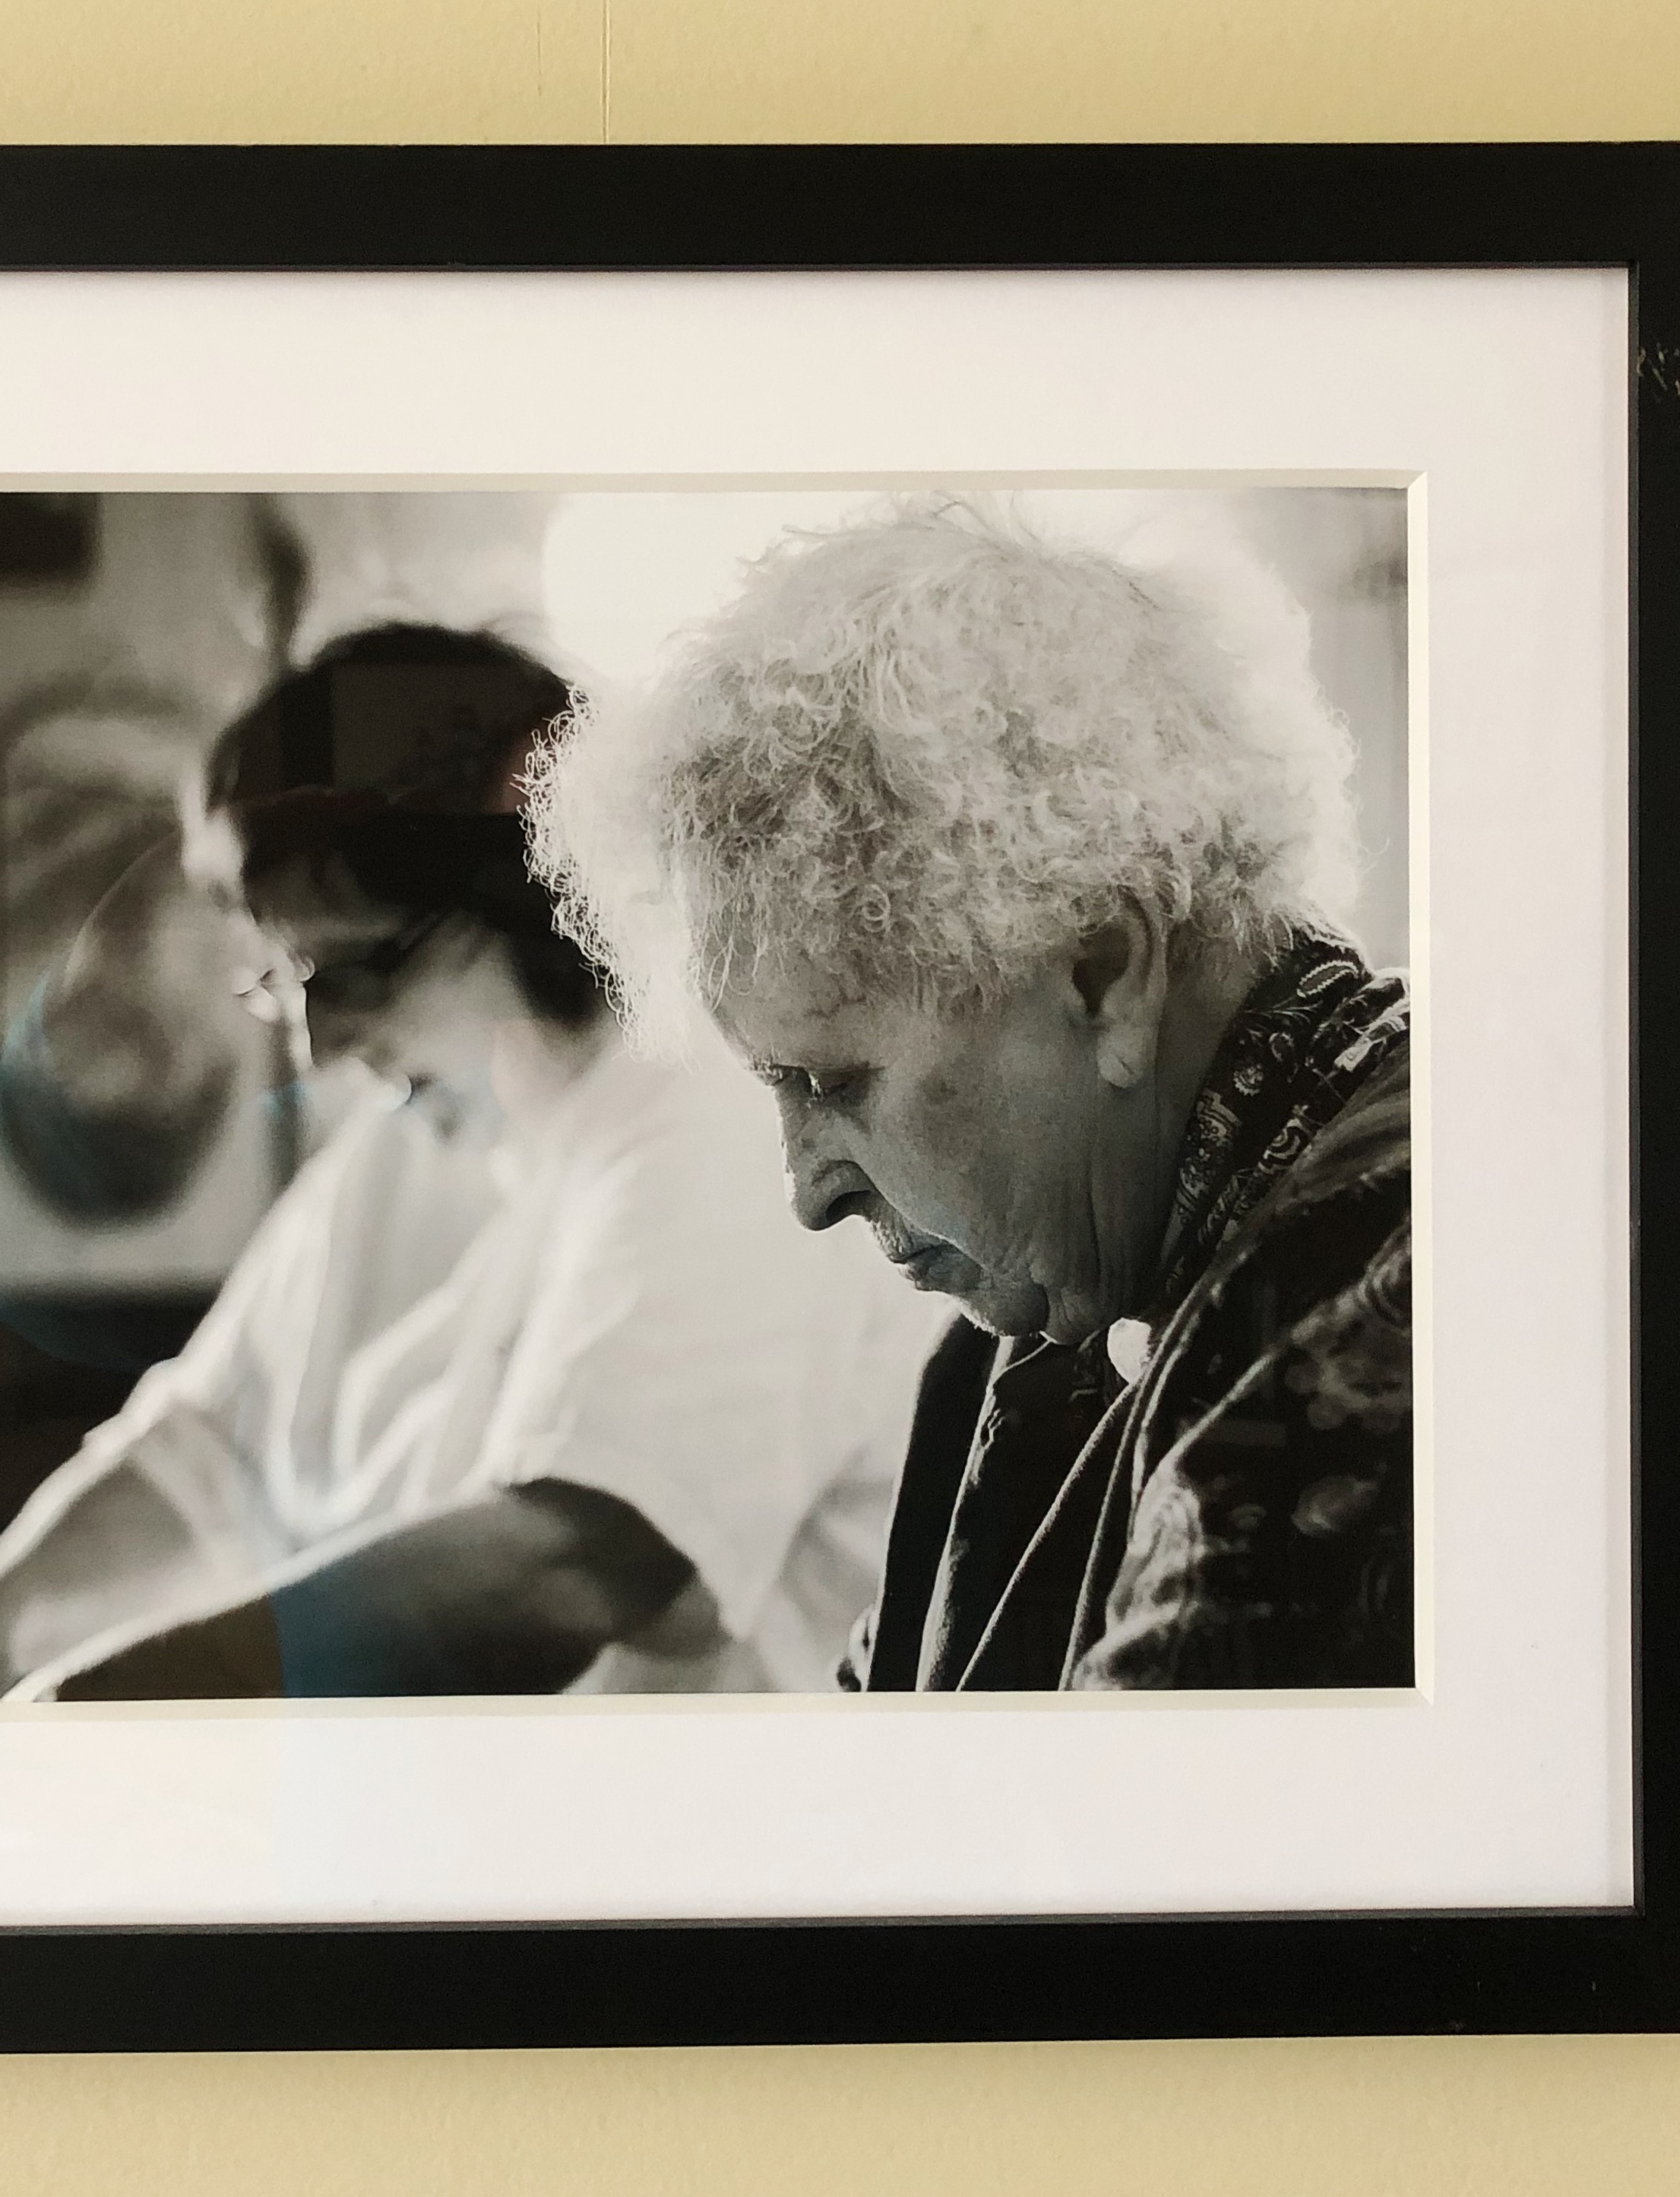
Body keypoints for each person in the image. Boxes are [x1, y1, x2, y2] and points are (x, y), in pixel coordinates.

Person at [0, 621, 950, 1702]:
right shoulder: (410, 1144)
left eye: (355, 970)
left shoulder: (719, 1125)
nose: (318, 1045)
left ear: (533, 901)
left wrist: (100, 1709)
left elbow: (574, 1562)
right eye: (281, 976)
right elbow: (197, 1459)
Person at [532, 498, 1412, 1692]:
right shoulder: (1033, 1323)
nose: (809, 1193)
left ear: (1106, 974)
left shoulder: (1387, 1273)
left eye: (837, 1082)